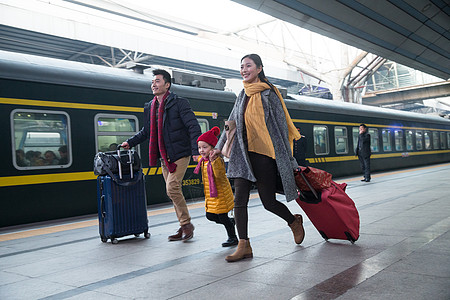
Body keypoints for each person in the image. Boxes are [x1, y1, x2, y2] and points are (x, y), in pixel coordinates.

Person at [210, 54, 305, 262]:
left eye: (248, 66)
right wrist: (218, 147)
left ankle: (293, 221)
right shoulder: (242, 95)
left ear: (259, 68)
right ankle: (244, 245)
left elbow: (281, 126)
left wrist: (286, 157)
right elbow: (231, 124)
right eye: (242, 66)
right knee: (239, 200)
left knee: (268, 202)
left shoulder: (270, 94)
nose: (244, 70)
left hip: (265, 155)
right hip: (242, 155)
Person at [121, 69, 202, 242]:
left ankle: (187, 225)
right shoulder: (150, 107)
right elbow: (147, 131)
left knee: (171, 188)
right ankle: (183, 225)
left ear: (167, 84)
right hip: (164, 156)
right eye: (152, 82)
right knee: (174, 191)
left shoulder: (179, 103)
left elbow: (193, 126)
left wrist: (196, 151)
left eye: (157, 81)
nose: (153, 84)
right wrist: (131, 142)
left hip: (180, 153)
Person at [194, 126, 238, 247]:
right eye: (199, 147)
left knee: (222, 217)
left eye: (205, 147)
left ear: (213, 148)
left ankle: (233, 238)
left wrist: (213, 161)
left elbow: (218, 174)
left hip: (221, 194)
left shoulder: (216, 160)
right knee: (210, 216)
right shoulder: (203, 160)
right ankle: (231, 222)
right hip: (212, 196)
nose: (201, 150)